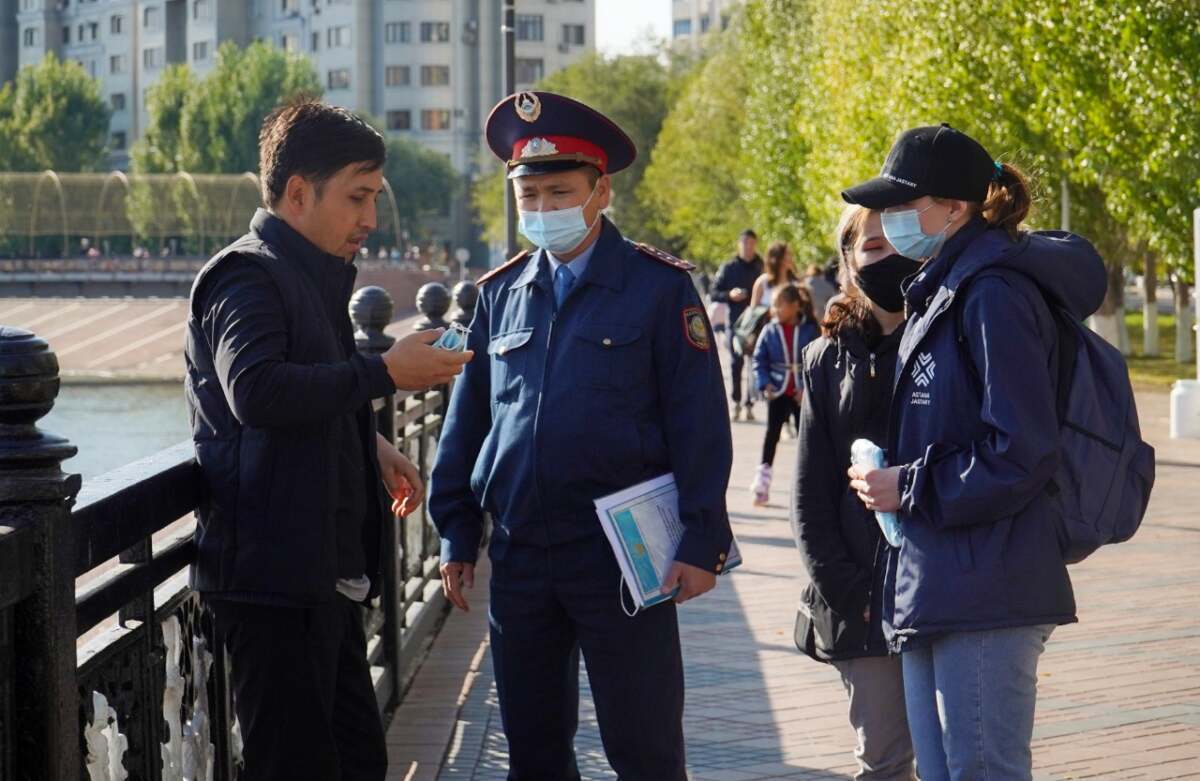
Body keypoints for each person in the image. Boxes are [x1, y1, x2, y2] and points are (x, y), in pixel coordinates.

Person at [429, 91, 733, 781]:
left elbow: (700, 423)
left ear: (601, 191)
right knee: (533, 752)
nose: (541, 209)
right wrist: (455, 531)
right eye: (528, 195)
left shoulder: (659, 290)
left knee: (645, 746)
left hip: (626, 556)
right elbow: (468, 419)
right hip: (522, 555)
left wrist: (702, 539)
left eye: (558, 191)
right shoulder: (500, 292)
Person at [184, 100, 472, 780]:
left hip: (318, 577)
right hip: (271, 580)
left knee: (356, 760)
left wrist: (369, 445)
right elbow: (255, 391)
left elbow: (308, 386)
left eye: (374, 197)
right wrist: (384, 371)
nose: (370, 220)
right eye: (357, 197)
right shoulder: (246, 274)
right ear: (296, 192)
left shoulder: (308, 274)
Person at [844, 124, 1106, 780]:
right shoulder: (942, 288)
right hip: (940, 577)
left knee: (981, 770)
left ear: (955, 208)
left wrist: (906, 485)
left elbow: (1021, 449)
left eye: (904, 208)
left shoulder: (991, 292)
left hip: (989, 582)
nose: (891, 222)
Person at [792, 205, 918, 780]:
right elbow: (809, 498)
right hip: (862, 601)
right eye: (871, 247)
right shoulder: (824, 358)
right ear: (847, 261)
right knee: (885, 761)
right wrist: (848, 592)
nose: (885, 257)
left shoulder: (949, 335)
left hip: (945, 588)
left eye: (898, 243)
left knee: (959, 756)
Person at [750, 284, 817, 506]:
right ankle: (762, 485)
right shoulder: (770, 330)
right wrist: (765, 383)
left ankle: (806, 486)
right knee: (772, 435)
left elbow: (818, 361)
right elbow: (759, 360)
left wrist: (808, 388)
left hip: (801, 393)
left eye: (781, 306)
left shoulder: (810, 329)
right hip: (778, 391)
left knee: (805, 439)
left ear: (796, 306)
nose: (776, 310)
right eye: (774, 306)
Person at [710, 228, 763, 421]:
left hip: (758, 324)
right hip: (735, 323)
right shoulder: (729, 267)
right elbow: (714, 292)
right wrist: (729, 295)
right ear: (739, 244)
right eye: (745, 243)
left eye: (751, 243)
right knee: (736, 363)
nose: (748, 247)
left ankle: (750, 404)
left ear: (755, 244)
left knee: (754, 364)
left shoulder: (762, 267)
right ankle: (736, 402)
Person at [750, 241, 798, 309]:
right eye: (787, 254)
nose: (791, 258)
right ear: (778, 259)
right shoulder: (762, 282)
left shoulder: (795, 283)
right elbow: (753, 311)